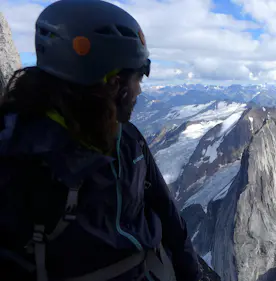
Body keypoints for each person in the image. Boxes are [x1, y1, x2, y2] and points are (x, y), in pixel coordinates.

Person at [0, 0, 202, 280]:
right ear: (114, 83)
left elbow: (167, 215)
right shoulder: (19, 155)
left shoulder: (128, 139)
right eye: (138, 77)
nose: (140, 90)